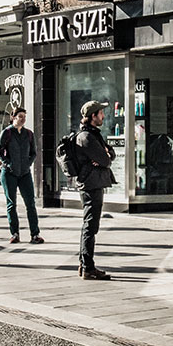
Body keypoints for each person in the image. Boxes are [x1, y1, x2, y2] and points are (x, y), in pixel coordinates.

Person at [75, 101, 116, 280]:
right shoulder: (87, 137)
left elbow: (110, 154)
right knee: (91, 225)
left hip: (93, 182)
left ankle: (84, 264)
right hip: (91, 184)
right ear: (93, 116)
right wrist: (104, 156)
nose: (103, 116)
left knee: (90, 224)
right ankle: (88, 267)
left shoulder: (92, 135)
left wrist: (105, 154)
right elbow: (106, 160)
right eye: (100, 113)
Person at [0, 107, 42, 245]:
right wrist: (9, 164)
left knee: (30, 203)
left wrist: (27, 164)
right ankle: (15, 234)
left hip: (24, 173)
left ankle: (35, 234)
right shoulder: (6, 133)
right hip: (9, 174)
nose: (23, 119)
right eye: (20, 116)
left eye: (24, 116)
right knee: (11, 204)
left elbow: (34, 153)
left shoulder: (29, 134)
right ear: (13, 117)